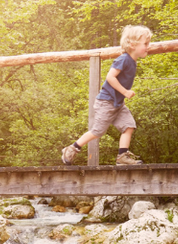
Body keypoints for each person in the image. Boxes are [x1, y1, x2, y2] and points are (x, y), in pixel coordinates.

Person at [62, 25, 151, 166]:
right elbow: (110, 77)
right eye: (145, 44)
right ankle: (72, 148)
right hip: (106, 102)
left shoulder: (133, 61)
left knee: (129, 126)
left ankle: (122, 156)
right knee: (98, 131)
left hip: (117, 104)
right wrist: (125, 92)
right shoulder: (124, 59)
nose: (148, 47)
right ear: (133, 45)